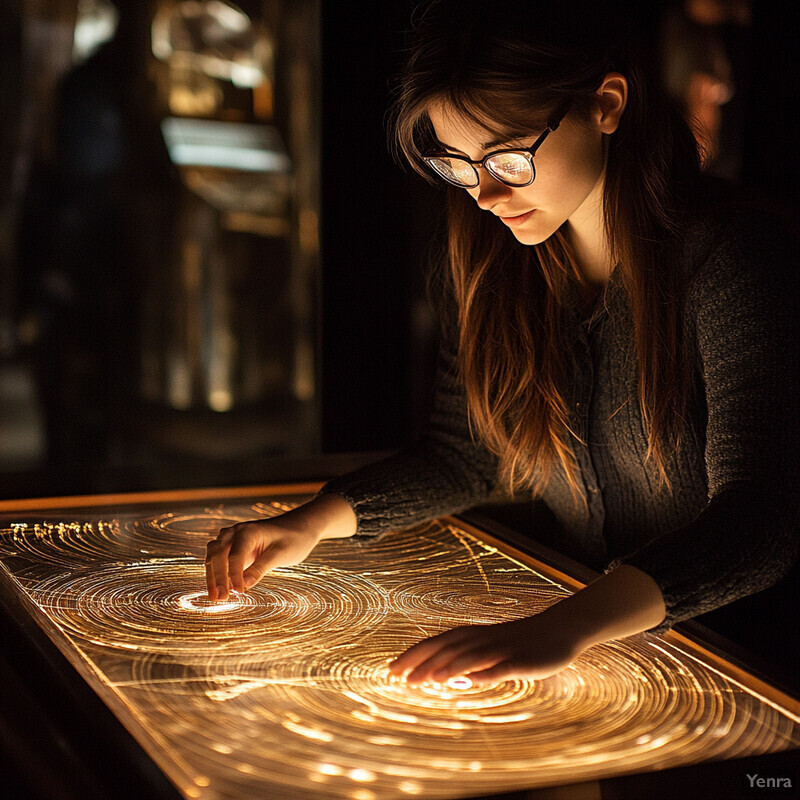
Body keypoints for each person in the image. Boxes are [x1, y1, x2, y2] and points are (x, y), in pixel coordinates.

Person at [205, 0, 798, 686]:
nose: (484, 195)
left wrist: (566, 625)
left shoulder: (738, 261)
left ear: (605, 104)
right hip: (604, 669)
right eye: (458, 166)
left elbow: (760, 522)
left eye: (509, 158)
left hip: (746, 669)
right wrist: (310, 525)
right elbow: (465, 452)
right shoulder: (497, 264)